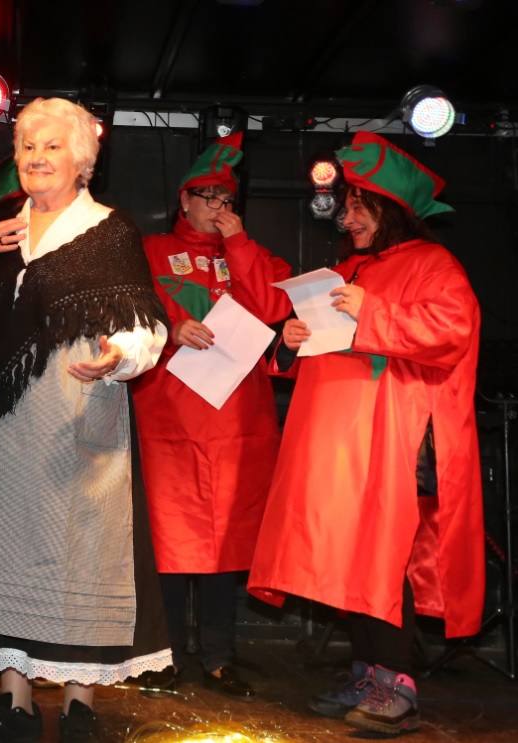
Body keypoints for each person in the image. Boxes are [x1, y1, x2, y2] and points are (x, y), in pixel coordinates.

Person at [0, 97, 171, 743]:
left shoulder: (108, 232)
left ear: (82, 159)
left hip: (73, 416)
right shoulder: (1, 233)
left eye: (52, 146)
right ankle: (13, 699)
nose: (37, 157)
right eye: (28, 146)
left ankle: (78, 703)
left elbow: (146, 324)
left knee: (75, 557)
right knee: (1, 551)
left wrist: (120, 355)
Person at [247, 131, 483, 737]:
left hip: (394, 434)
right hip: (337, 436)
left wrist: (369, 311)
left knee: (385, 554)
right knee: (348, 553)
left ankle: (397, 681)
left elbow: (450, 331)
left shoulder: (434, 265)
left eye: (358, 205)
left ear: (389, 210)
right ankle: (366, 670)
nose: (345, 215)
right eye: (347, 204)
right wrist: (291, 341)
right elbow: (318, 344)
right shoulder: (347, 269)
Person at [131, 133, 291, 698]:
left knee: (228, 539)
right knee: (171, 540)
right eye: (208, 196)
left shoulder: (252, 254)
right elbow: (129, 309)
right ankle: (167, 655)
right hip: (169, 417)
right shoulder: (149, 250)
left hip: (238, 420)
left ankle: (221, 656)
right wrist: (172, 328)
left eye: (227, 198)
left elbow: (273, 307)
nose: (219, 205)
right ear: (184, 200)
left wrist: (238, 241)